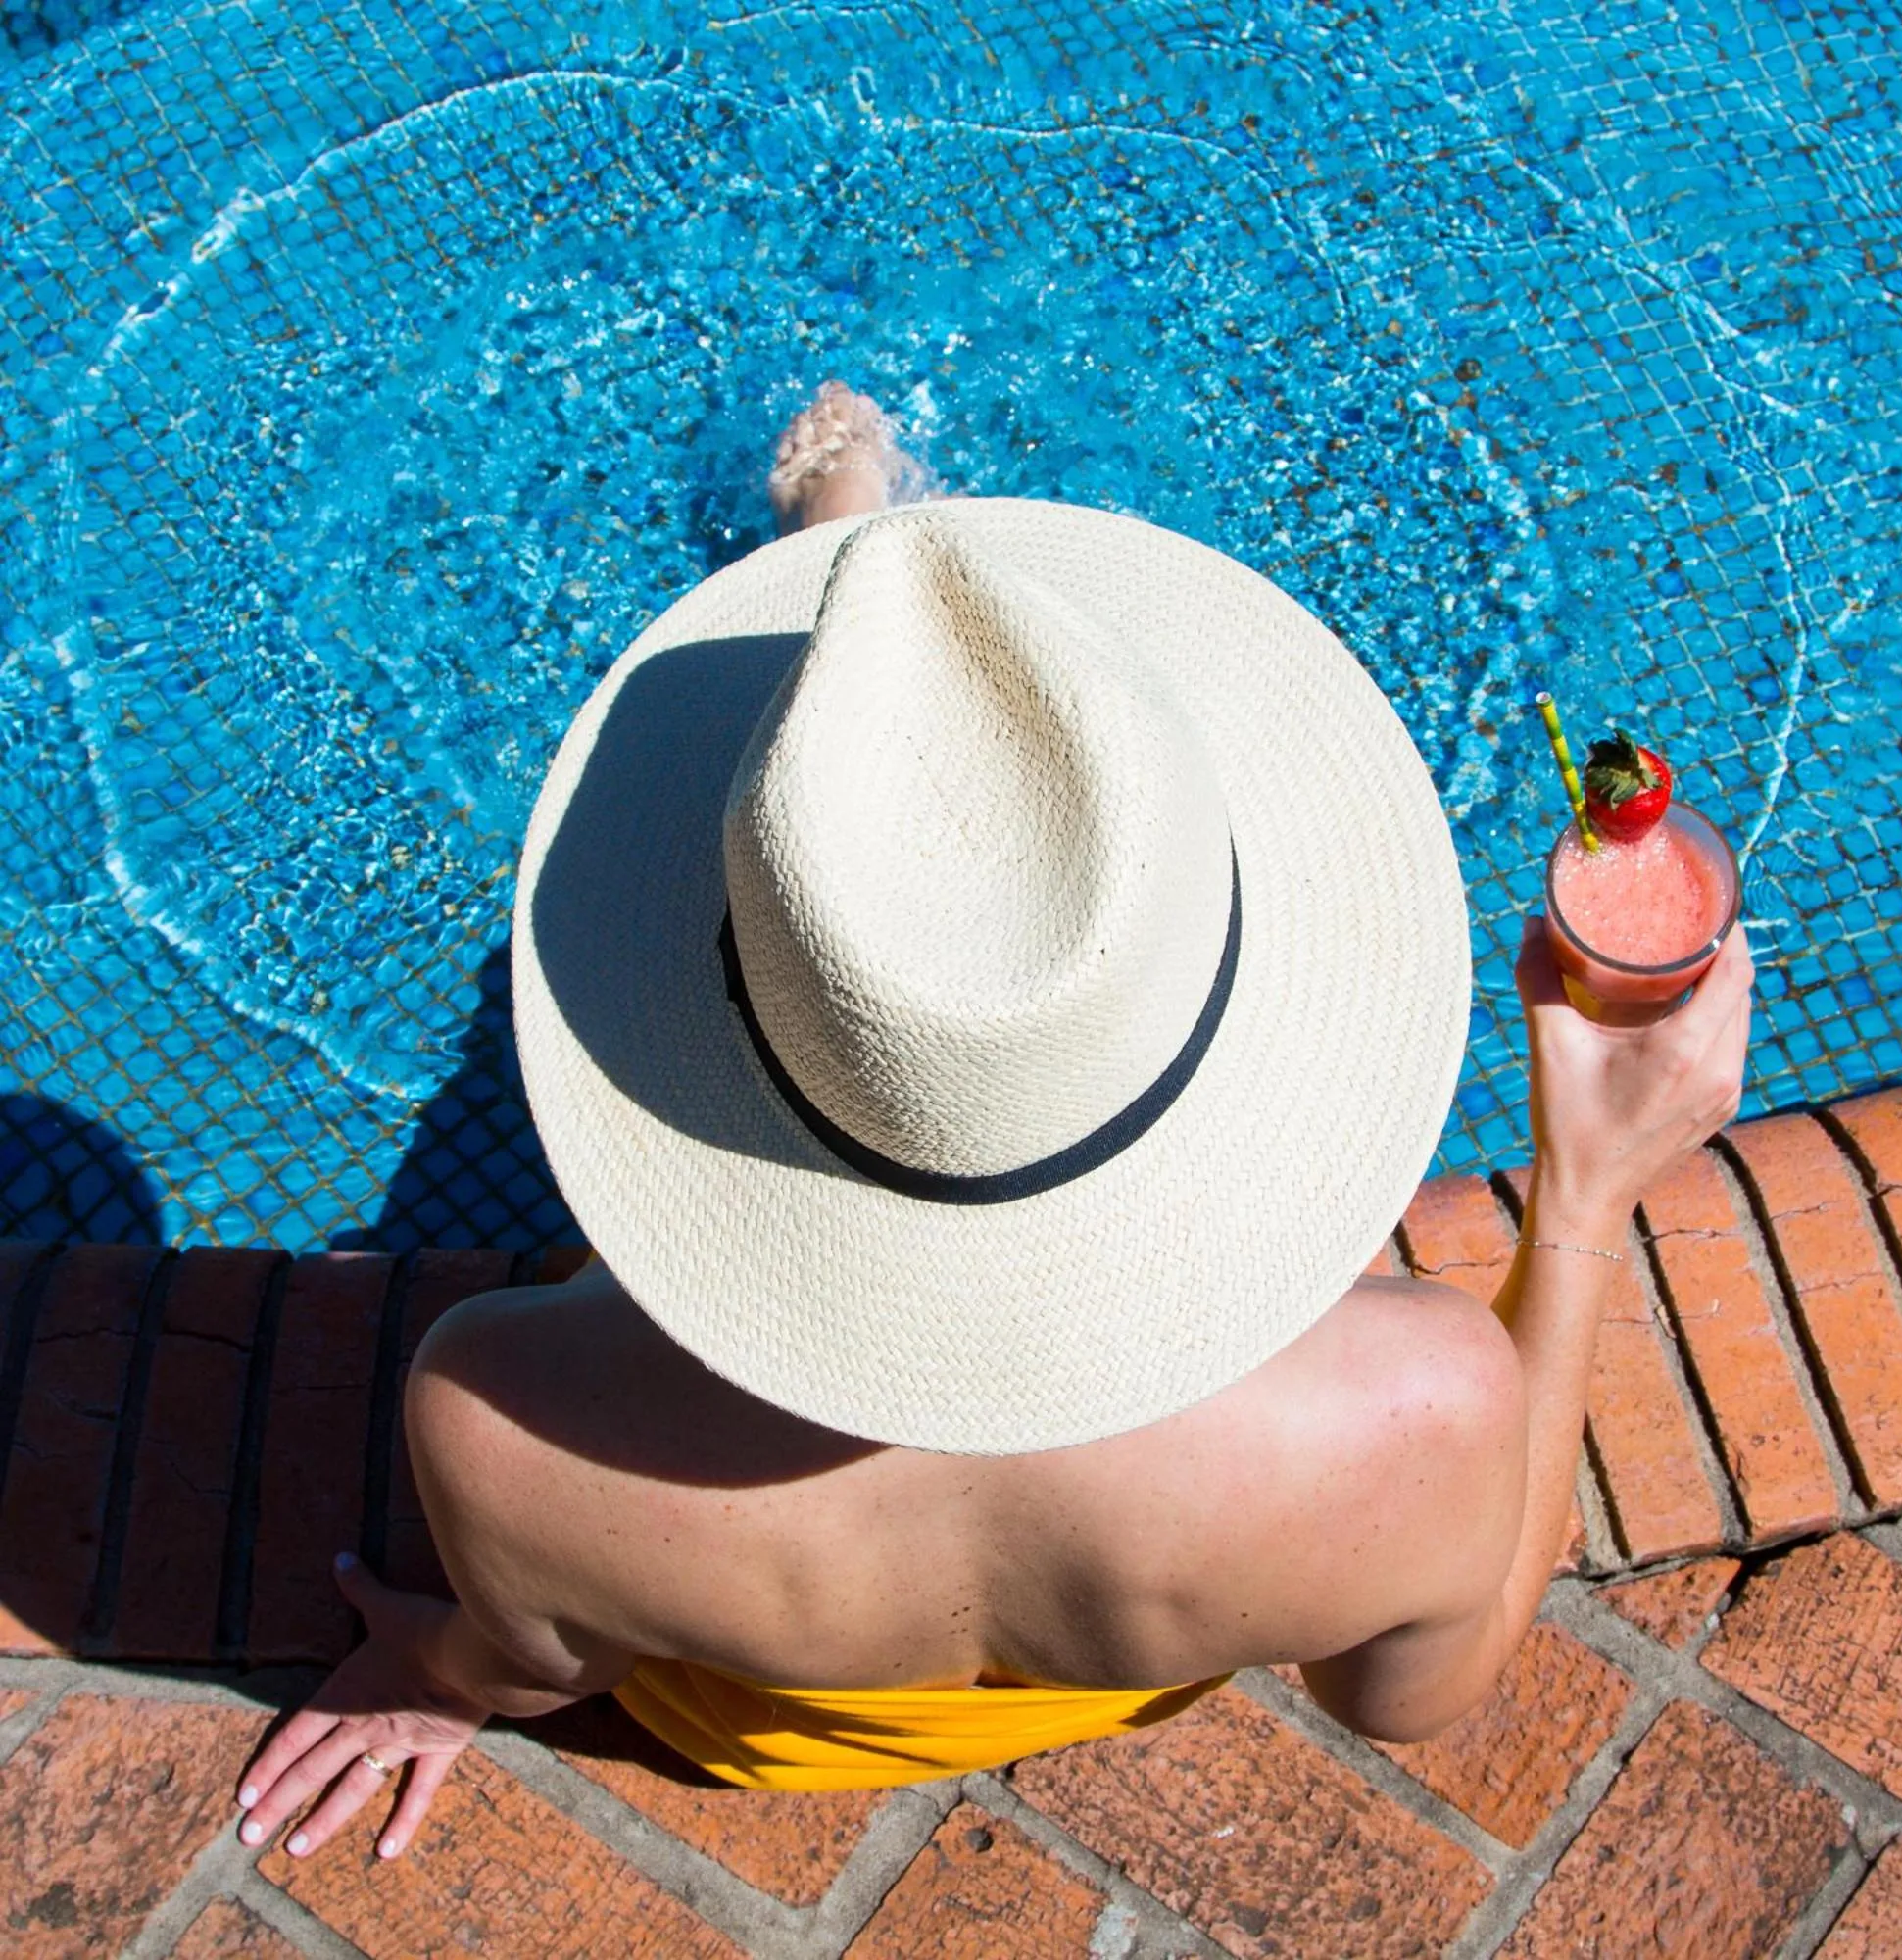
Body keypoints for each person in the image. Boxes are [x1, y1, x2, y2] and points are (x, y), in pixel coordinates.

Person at [235, 383, 1751, 1860]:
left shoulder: (507, 1417)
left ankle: (855, 587)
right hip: (1118, 1679)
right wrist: (1584, 1199)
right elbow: (1422, 1696)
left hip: (751, 1729)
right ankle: (884, 581)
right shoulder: (1417, 1413)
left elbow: (537, 1664)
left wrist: (431, 1683)